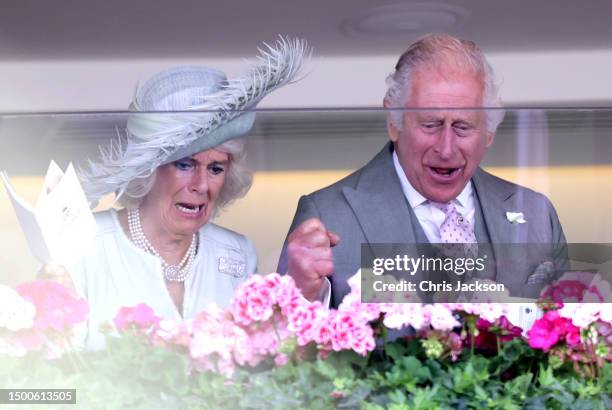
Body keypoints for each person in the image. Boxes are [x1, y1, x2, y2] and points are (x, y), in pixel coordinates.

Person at [39, 38, 307, 348]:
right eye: (184, 164)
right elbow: (49, 381)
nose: (201, 184)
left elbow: (257, 360)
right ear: (148, 171)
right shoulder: (83, 244)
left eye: (216, 168)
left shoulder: (236, 252)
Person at [279, 33, 568, 307]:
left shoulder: (536, 214)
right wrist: (303, 294)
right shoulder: (326, 215)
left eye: (463, 127)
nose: (446, 148)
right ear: (394, 121)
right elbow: (281, 344)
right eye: (430, 125)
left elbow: (572, 341)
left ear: (489, 132)